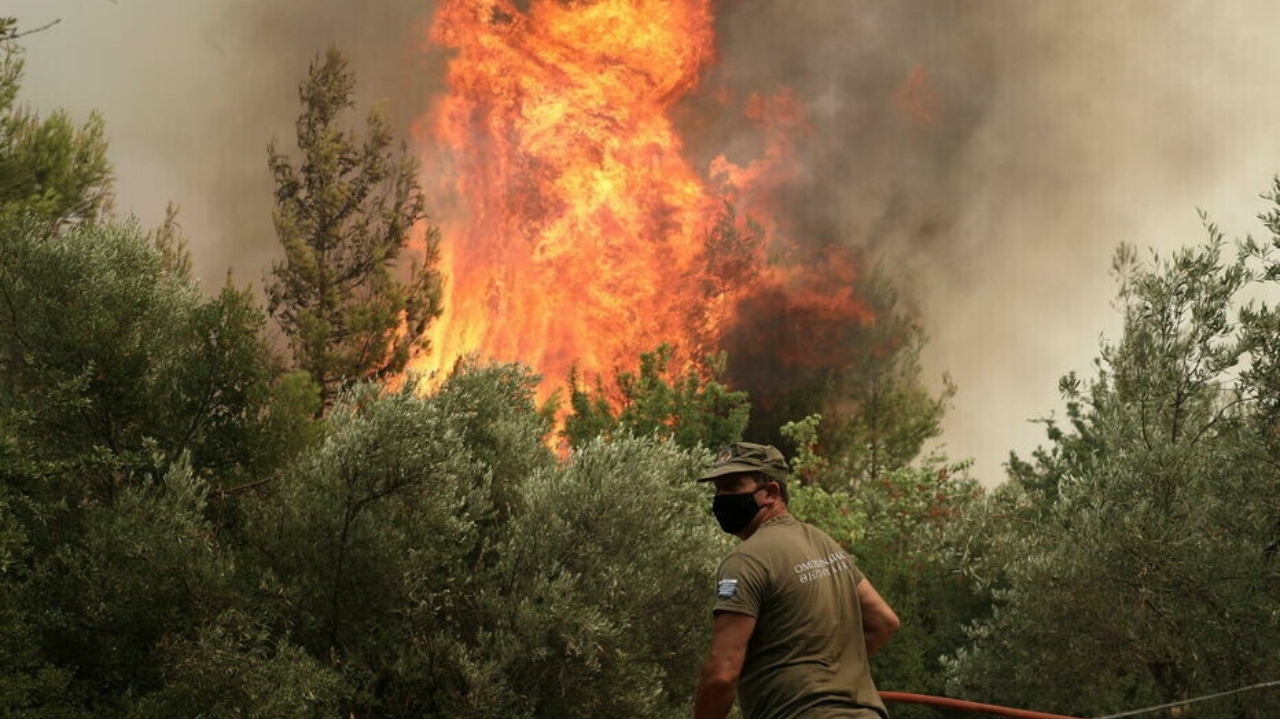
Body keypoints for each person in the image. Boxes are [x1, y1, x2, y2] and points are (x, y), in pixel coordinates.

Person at [692, 442, 900, 719]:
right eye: (718, 489)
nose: (721, 498)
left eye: (732, 486)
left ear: (771, 492)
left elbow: (721, 674)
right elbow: (884, 622)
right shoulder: (823, 542)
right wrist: (833, 678)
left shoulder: (745, 561)